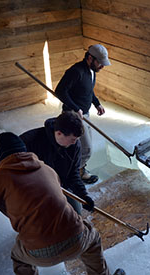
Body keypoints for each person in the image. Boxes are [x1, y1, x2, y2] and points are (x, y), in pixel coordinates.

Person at [0, 132, 126, 275]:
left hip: (39, 252)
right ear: (24, 151)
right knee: (92, 239)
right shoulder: (47, 169)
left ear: (2, 156)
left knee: (19, 259)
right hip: (76, 239)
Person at [55, 44, 111, 184]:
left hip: (84, 114)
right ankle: (77, 173)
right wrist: (75, 108)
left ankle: (77, 169)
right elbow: (60, 91)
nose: (102, 67)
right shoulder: (75, 71)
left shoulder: (91, 71)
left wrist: (97, 103)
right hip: (73, 116)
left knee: (80, 146)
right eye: (100, 63)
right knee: (87, 148)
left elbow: (88, 90)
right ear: (90, 58)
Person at [20, 111, 94, 216]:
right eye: (72, 139)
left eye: (76, 139)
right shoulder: (30, 141)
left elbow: (73, 174)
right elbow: (6, 163)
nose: (75, 142)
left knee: (75, 213)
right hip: (35, 190)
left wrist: (83, 196)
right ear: (59, 133)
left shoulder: (74, 145)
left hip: (61, 187)